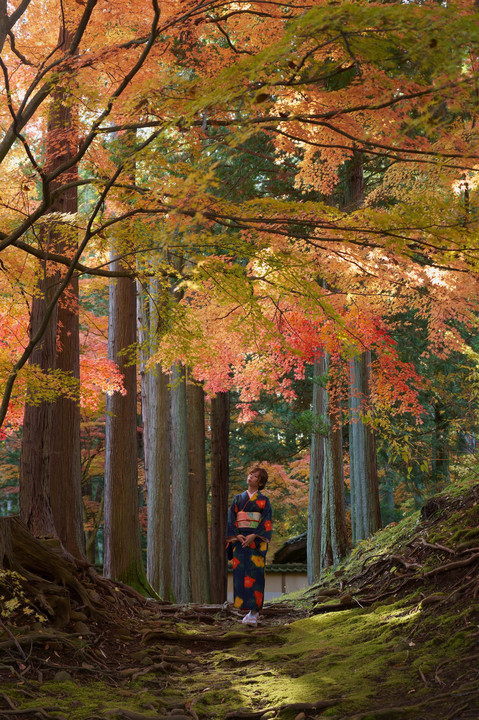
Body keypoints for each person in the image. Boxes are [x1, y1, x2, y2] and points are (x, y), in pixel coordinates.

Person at [226, 466, 272, 626]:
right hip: (240, 542)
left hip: (256, 542)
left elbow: (266, 521)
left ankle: (255, 612)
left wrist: (254, 536)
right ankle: (248, 612)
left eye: (255, 476)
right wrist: (237, 535)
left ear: (260, 483)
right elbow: (231, 520)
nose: (251, 477)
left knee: (256, 575)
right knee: (240, 574)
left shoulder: (264, 501)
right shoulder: (238, 499)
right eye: (251, 474)